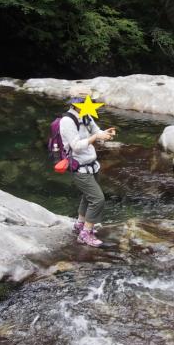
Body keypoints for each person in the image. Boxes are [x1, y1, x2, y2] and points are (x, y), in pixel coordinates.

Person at [60, 89, 116, 247]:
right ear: (76, 104)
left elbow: (96, 130)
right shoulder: (67, 121)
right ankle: (85, 234)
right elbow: (76, 147)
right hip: (78, 166)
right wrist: (96, 137)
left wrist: (105, 133)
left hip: (92, 165)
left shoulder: (86, 114)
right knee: (98, 199)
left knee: (88, 196)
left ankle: (79, 225)